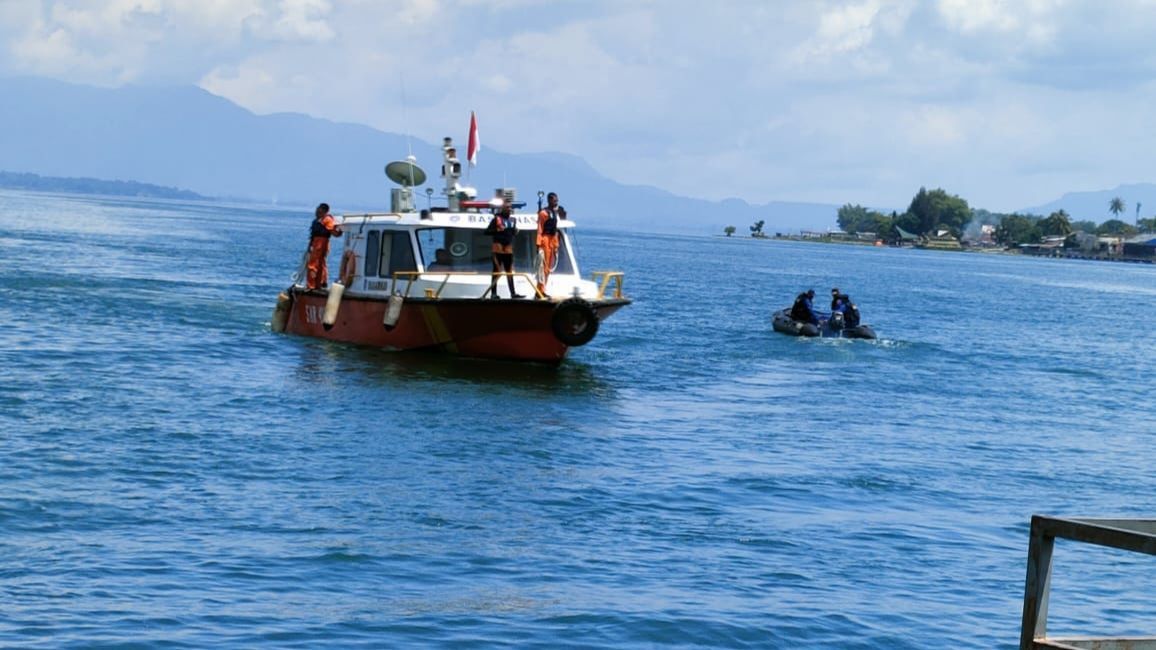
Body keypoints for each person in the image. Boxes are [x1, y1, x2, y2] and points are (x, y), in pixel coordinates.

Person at [485, 203, 524, 299]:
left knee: (509, 271)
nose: (509, 209)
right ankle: (493, 294)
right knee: (496, 271)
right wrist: (497, 230)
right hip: (498, 248)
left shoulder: (513, 220)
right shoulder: (496, 219)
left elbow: (512, 233)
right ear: (502, 209)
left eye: (510, 207)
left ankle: (513, 293)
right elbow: (487, 232)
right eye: (507, 207)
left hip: (508, 249)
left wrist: (515, 231)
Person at [306, 202, 342, 289]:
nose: (316, 212)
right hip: (316, 242)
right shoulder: (318, 221)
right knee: (320, 264)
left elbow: (334, 232)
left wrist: (339, 231)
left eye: (319, 210)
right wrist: (310, 245)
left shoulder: (326, 220)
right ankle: (319, 284)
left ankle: (312, 285)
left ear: (324, 211)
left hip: (321, 243)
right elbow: (313, 234)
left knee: (313, 265)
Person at [535, 192, 562, 297]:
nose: (556, 202)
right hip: (545, 240)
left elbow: (555, 231)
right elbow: (540, 229)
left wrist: (556, 246)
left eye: (557, 200)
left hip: (552, 240)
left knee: (548, 268)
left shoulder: (554, 213)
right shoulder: (543, 213)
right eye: (555, 200)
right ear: (550, 200)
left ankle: (542, 289)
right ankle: (540, 290)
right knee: (543, 267)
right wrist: (539, 244)